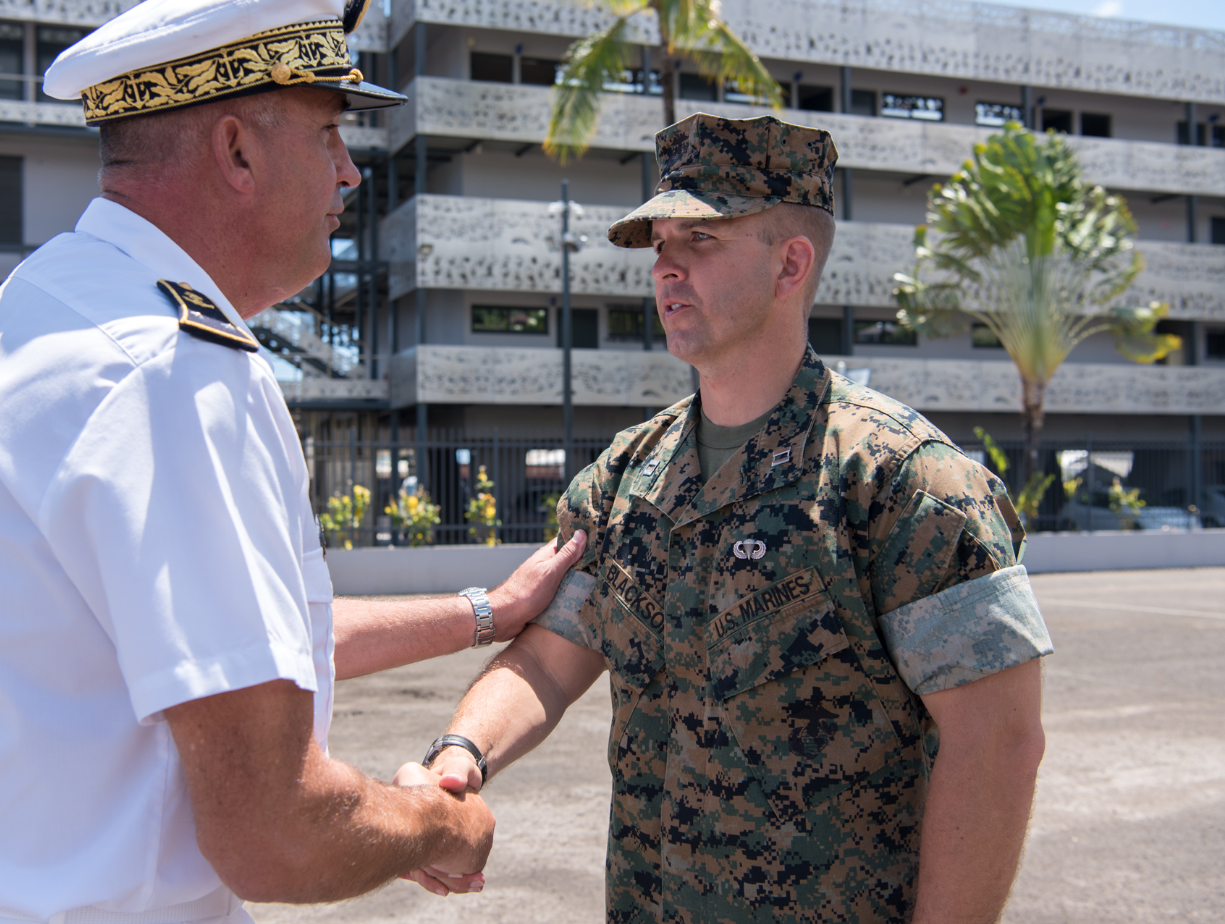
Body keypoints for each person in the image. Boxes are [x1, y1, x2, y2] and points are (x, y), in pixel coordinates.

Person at [0, 1, 585, 921]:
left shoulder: (51, 304)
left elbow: (220, 647)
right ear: (237, 152)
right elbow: (273, 834)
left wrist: (486, 612)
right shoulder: (174, 372)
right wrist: (443, 828)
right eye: (328, 134)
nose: (350, 172)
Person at [416, 113, 1054, 923]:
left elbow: (997, 744)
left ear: (791, 264)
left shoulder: (899, 482)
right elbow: (550, 658)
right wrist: (460, 755)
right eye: (659, 243)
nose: (666, 267)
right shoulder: (625, 477)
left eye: (702, 239)